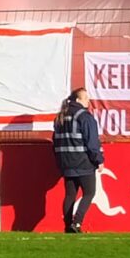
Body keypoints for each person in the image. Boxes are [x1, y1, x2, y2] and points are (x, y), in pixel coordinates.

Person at [52, 88, 105, 234]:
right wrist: (98, 159)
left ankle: (68, 225)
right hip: (83, 162)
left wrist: (60, 160)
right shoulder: (85, 117)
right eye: (85, 98)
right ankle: (77, 223)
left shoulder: (60, 117)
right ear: (78, 100)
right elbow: (92, 142)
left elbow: (55, 141)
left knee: (70, 194)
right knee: (89, 192)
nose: (88, 101)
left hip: (66, 162)